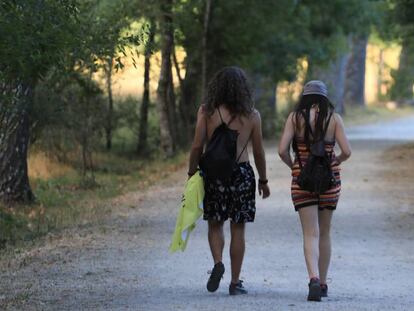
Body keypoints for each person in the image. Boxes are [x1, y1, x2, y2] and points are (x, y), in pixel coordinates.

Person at [188, 66, 270, 295]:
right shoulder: (252, 116)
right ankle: (235, 282)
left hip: (215, 175)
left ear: (218, 87)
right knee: (238, 228)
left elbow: (197, 145)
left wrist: (191, 173)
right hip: (242, 174)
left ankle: (217, 264)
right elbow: (260, 152)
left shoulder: (206, 112)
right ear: (243, 89)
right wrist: (263, 180)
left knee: (215, 223)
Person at [278, 80, 351, 301]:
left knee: (310, 233)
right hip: (329, 181)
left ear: (305, 97)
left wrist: (295, 166)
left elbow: (282, 150)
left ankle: (313, 279)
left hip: (302, 181)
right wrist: (335, 161)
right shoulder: (334, 119)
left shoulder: (294, 118)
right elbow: (346, 151)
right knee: (325, 232)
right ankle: (324, 283)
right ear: (324, 98)